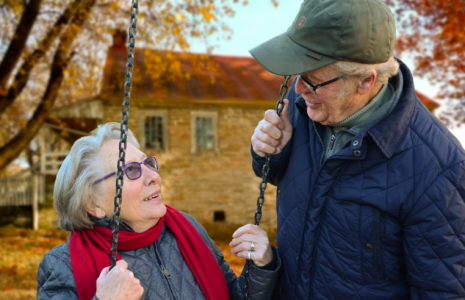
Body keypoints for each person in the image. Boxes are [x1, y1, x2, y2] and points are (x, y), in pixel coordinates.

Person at [249, 0, 465, 299]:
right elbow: (282, 178)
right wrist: (268, 152)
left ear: (365, 81)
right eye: (298, 74)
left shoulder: (438, 168)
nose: (299, 89)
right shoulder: (303, 109)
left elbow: (443, 290)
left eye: (312, 80)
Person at [37, 122, 280, 300]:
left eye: (148, 163)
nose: (153, 176)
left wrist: (262, 265)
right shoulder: (62, 265)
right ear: (93, 204)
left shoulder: (186, 228)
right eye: (131, 170)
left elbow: (234, 297)